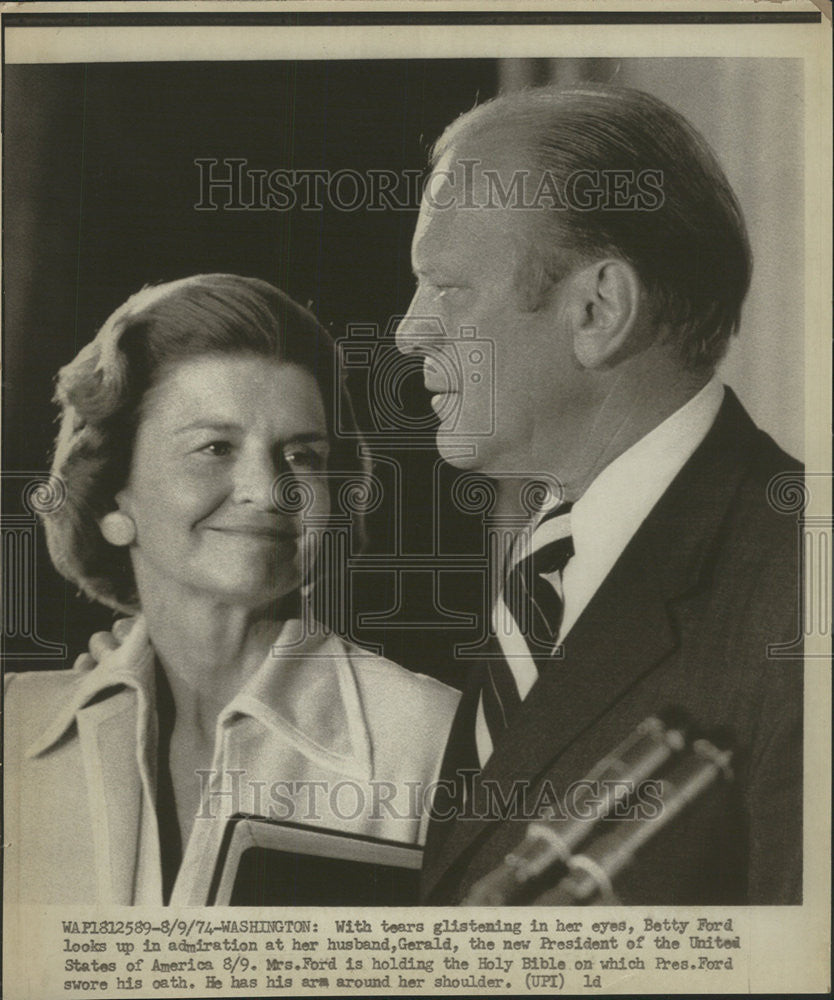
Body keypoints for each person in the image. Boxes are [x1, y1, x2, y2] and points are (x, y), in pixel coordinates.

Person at [395, 85, 803, 905]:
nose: (408, 329)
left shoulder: (802, 585)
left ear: (598, 310)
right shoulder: (543, 570)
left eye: (446, 290)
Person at [3, 274, 458, 906]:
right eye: (214, 447)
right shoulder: (16, 731)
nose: (269, 490)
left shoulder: (432, 741)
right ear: (113, 498)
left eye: (301, 455)